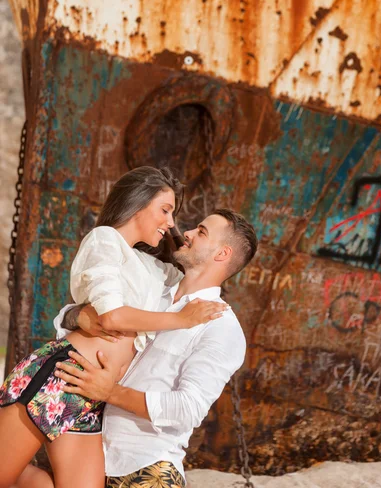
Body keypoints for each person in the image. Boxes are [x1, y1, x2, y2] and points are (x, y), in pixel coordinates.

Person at [0, 167, 226, 488]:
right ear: (137, 204)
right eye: (165, 210)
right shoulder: (104, 239)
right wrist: (181, 319)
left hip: (92, 395)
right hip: (60, 376)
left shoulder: (156, 270)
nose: (171, 223)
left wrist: (193, 251)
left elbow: (198, 276)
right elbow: (112, 317)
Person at [51, 208, 258, 488]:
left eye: (201, 232)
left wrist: (109, 391)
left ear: (222, 254)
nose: (186, 233)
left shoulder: (222, 328)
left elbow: (188, 408)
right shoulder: (151, 290)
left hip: (147, 468)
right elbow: (72, 317)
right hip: (88, 453)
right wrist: (77, 316)